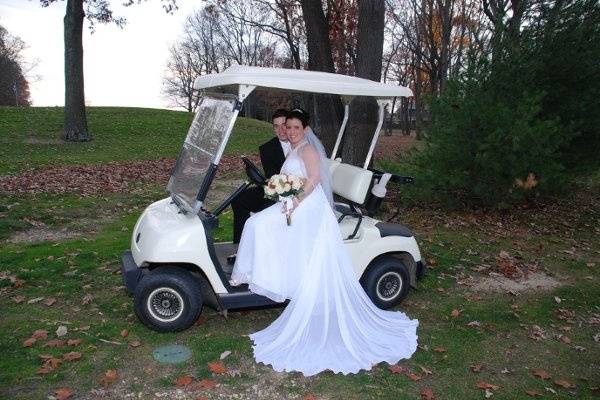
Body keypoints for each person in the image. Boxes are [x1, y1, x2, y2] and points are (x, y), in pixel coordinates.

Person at [230, 109, 418, 376]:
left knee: (257, 224)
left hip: (308, 205)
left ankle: (262, 277)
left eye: (296, 128)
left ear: (305, 130)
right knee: (255, 223)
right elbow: (291, 180)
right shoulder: (295, 150)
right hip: (295, 201)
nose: (291, 131)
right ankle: (261, 275)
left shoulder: (307, 150)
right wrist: (282, 192)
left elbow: (314, 180)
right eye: (289, 127)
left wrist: (294, 201)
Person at [229, 109, 291, 262]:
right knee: (238, 199)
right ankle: (241, 247)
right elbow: (272, 177)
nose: (281, 130)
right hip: (276, 189)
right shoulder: (267, 148)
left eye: (284, 125)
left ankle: (261, 247)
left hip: (297, 193)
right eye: (276, 126)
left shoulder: (302, 144)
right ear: (273, 128)